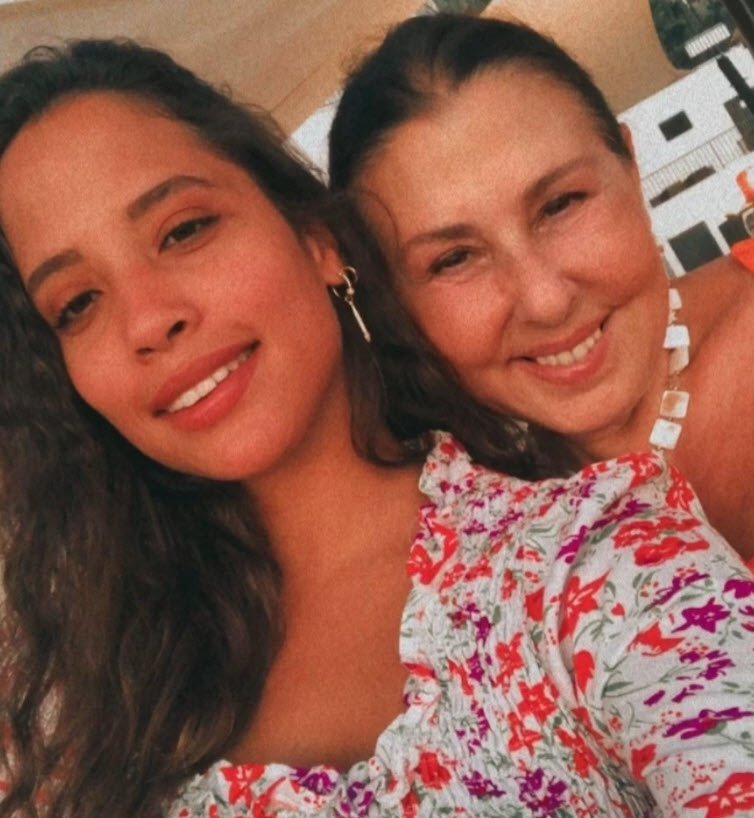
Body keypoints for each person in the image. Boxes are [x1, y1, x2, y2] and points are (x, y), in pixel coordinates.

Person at [0, 38, 753, 818]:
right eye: (76, 304)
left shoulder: (599, 564)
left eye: (183, 230)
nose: (148, 320)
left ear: (319, 241)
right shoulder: (68, 699)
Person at [328, 12, 754, 561]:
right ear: (394, 302)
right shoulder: (478, 546)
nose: (546, 301)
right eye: (455, 258)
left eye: (560, 204)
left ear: (629, 164)